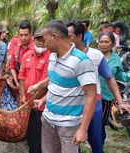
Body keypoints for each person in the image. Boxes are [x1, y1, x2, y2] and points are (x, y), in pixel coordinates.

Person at [28, 20, 97, 153]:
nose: (43, 42)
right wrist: (39, 88)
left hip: (68, 124)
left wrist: (83, 129)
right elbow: (56, 81)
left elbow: (91, 94)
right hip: (48, 119)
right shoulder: (53, 56)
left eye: (44, 38)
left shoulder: (81, 61)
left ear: (54, 36)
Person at [67, 20, 130, 153]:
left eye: (69, 35)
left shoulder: (95, 55)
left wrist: (120, 101)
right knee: (72, 144)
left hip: (94, 106)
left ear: (79, 36)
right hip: (72, 107)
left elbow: (110, 78)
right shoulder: (64, 55)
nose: (65, 39)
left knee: (97, 142)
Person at [18, 29, 50, 153]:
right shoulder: (27, 55)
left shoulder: (49, 57)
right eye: (38, 39)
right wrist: (22, 95)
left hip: (40, 105)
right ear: (34, 39)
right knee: (30, 134)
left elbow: (44, 83)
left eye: (43, 39)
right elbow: (21, 77)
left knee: (38, 135)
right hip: (26, 103)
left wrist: (33, 100)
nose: (41, 42)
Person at [98, 32, 130, 122]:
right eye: (101, 42)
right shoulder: (93, 55)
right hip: (92, 95)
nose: (103, 44)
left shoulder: (115, 58)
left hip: (107, 96)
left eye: (106, 42)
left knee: (102, 122)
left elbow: (120, 75)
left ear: (112, 44)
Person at [9, 20, 34, 88]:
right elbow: (11, 66)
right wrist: (17, 82)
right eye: (21, 35)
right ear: (18, 35)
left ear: (31, 34)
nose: (23, 38)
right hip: (18, 83)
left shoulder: (36, 49)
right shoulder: (16, 49)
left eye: (26, 35)